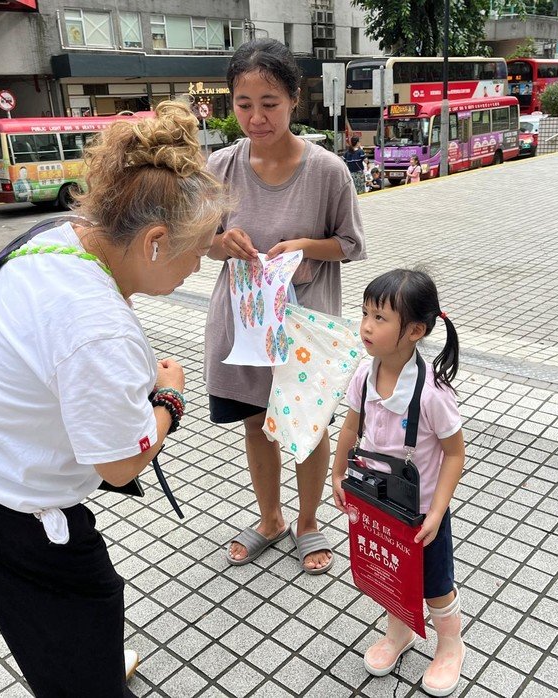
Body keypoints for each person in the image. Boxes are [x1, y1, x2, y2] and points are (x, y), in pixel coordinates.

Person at [0, 101, 228, 697]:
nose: (199, 265)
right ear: (154, 241)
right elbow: (119, 465)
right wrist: (169, 400)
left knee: (46, 625)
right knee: (84, 608)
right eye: (198, 249)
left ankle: (84, 662)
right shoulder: (96, 329)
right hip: (9, 506)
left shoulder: (59, 240)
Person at [205, 38, 366, 575]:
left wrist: (303, 246)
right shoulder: (220, 166)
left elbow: (350, 244)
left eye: (270, 103)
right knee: (257, 423)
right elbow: (201, 242)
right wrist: (222, 243)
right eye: (244, 104)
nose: (256, 118)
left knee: (308, 425)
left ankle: (308, 520)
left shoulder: (326, 171)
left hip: (303, 327)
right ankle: (270, 519)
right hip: (246, 325)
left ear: (295, 99)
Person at [332, 269, 466, 697]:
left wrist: (438, 512)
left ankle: (450, 645)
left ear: (415, 331)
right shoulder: (363, 375)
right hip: (377, 501)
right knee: (389, 572)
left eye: (380, 318)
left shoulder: (432, 393)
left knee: (436, 585)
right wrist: (338, 474)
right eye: (365, 313)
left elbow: (454, 453)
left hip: (421, 512)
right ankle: (400, 631)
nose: (366, 326)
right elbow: (350, 428)